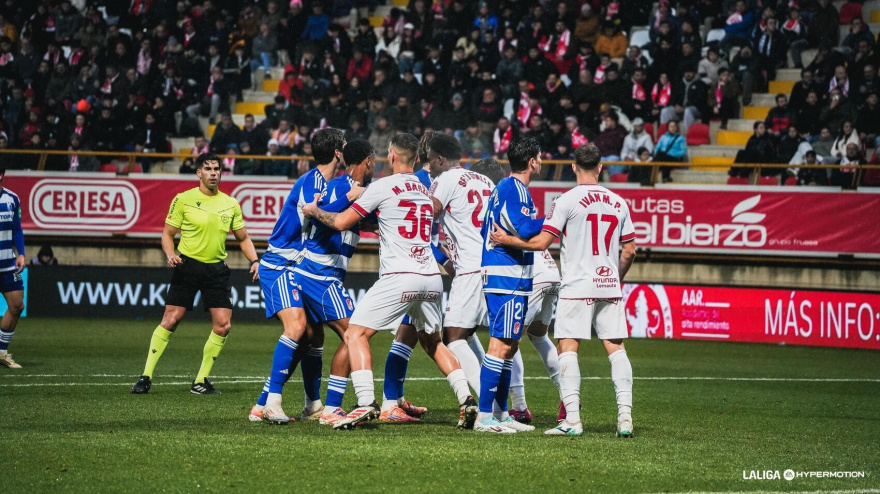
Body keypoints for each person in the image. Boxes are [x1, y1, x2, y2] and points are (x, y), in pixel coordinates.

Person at [302, 133, 478, 431]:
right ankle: (466, 399)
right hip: (431, 278)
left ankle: (366, 403)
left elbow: (341, 222)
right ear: (416, 158)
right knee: (433, 342)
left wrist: (314, 211)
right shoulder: (424, 191)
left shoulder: (381, 186)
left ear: (392, 156)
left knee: (355, 334)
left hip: (400, 276)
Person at [490, 143, 637, 438]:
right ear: (600, 167)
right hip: (608, 284)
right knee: (616, 348)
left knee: (568, 348)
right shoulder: (619, 202)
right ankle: (625, 418)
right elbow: (630, 251)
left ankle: (572, 420)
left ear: (573, 167)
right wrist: (616, 279)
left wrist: (507, 240)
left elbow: (541, 243)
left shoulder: (566, 201)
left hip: (576, 286)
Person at [248, 129, 357, 424]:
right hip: (281, 264)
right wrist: (351, 196)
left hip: (298, 266)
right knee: (296, 327)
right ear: (337, 153)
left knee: (313, 334)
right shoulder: (312, 181)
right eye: (345, 146)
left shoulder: (328, 183)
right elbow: (315, 212)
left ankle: (310, 405)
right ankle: (271, 403)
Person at [130, 153, 259, 395]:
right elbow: (168, 234)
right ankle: (145, 377)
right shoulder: (183, 199)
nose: (213, 173)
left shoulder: (230, 203)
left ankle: (200, 381)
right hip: (187, 266)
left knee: (223, 325)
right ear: (199, 172)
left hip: (216, 270)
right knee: (171, 320)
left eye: (217, 169)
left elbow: (243, 238)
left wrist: (254, 261)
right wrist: (170, 254)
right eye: (208, 169)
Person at [472, 137, 544, 434]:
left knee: (510, 346)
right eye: (539, 157)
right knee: (500, 345)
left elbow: (484, 230)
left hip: (510, 273)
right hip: (507, 275)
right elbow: (525, 228)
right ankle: (484, 416)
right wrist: (556, 217)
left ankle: (501, 414)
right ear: (531, 161)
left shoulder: (506, 188)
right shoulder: (514, 188)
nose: (541, 161)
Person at [0, 167, 25, 369]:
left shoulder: (12, 199)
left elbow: (17, 228)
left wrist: (22, 253)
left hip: (8, 264)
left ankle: (1, 352)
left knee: (17, 306)